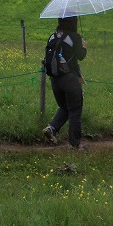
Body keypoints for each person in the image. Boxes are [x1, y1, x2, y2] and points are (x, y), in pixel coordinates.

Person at [41, 17, 88, 149]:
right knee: (75, 110)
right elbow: (81, 56)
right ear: (73, 22)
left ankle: (52, 128)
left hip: (55, 79)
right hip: (70, 79)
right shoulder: (74, 37)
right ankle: (74, 145)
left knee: (65, 107)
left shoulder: (52, 37)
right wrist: (83, 46)